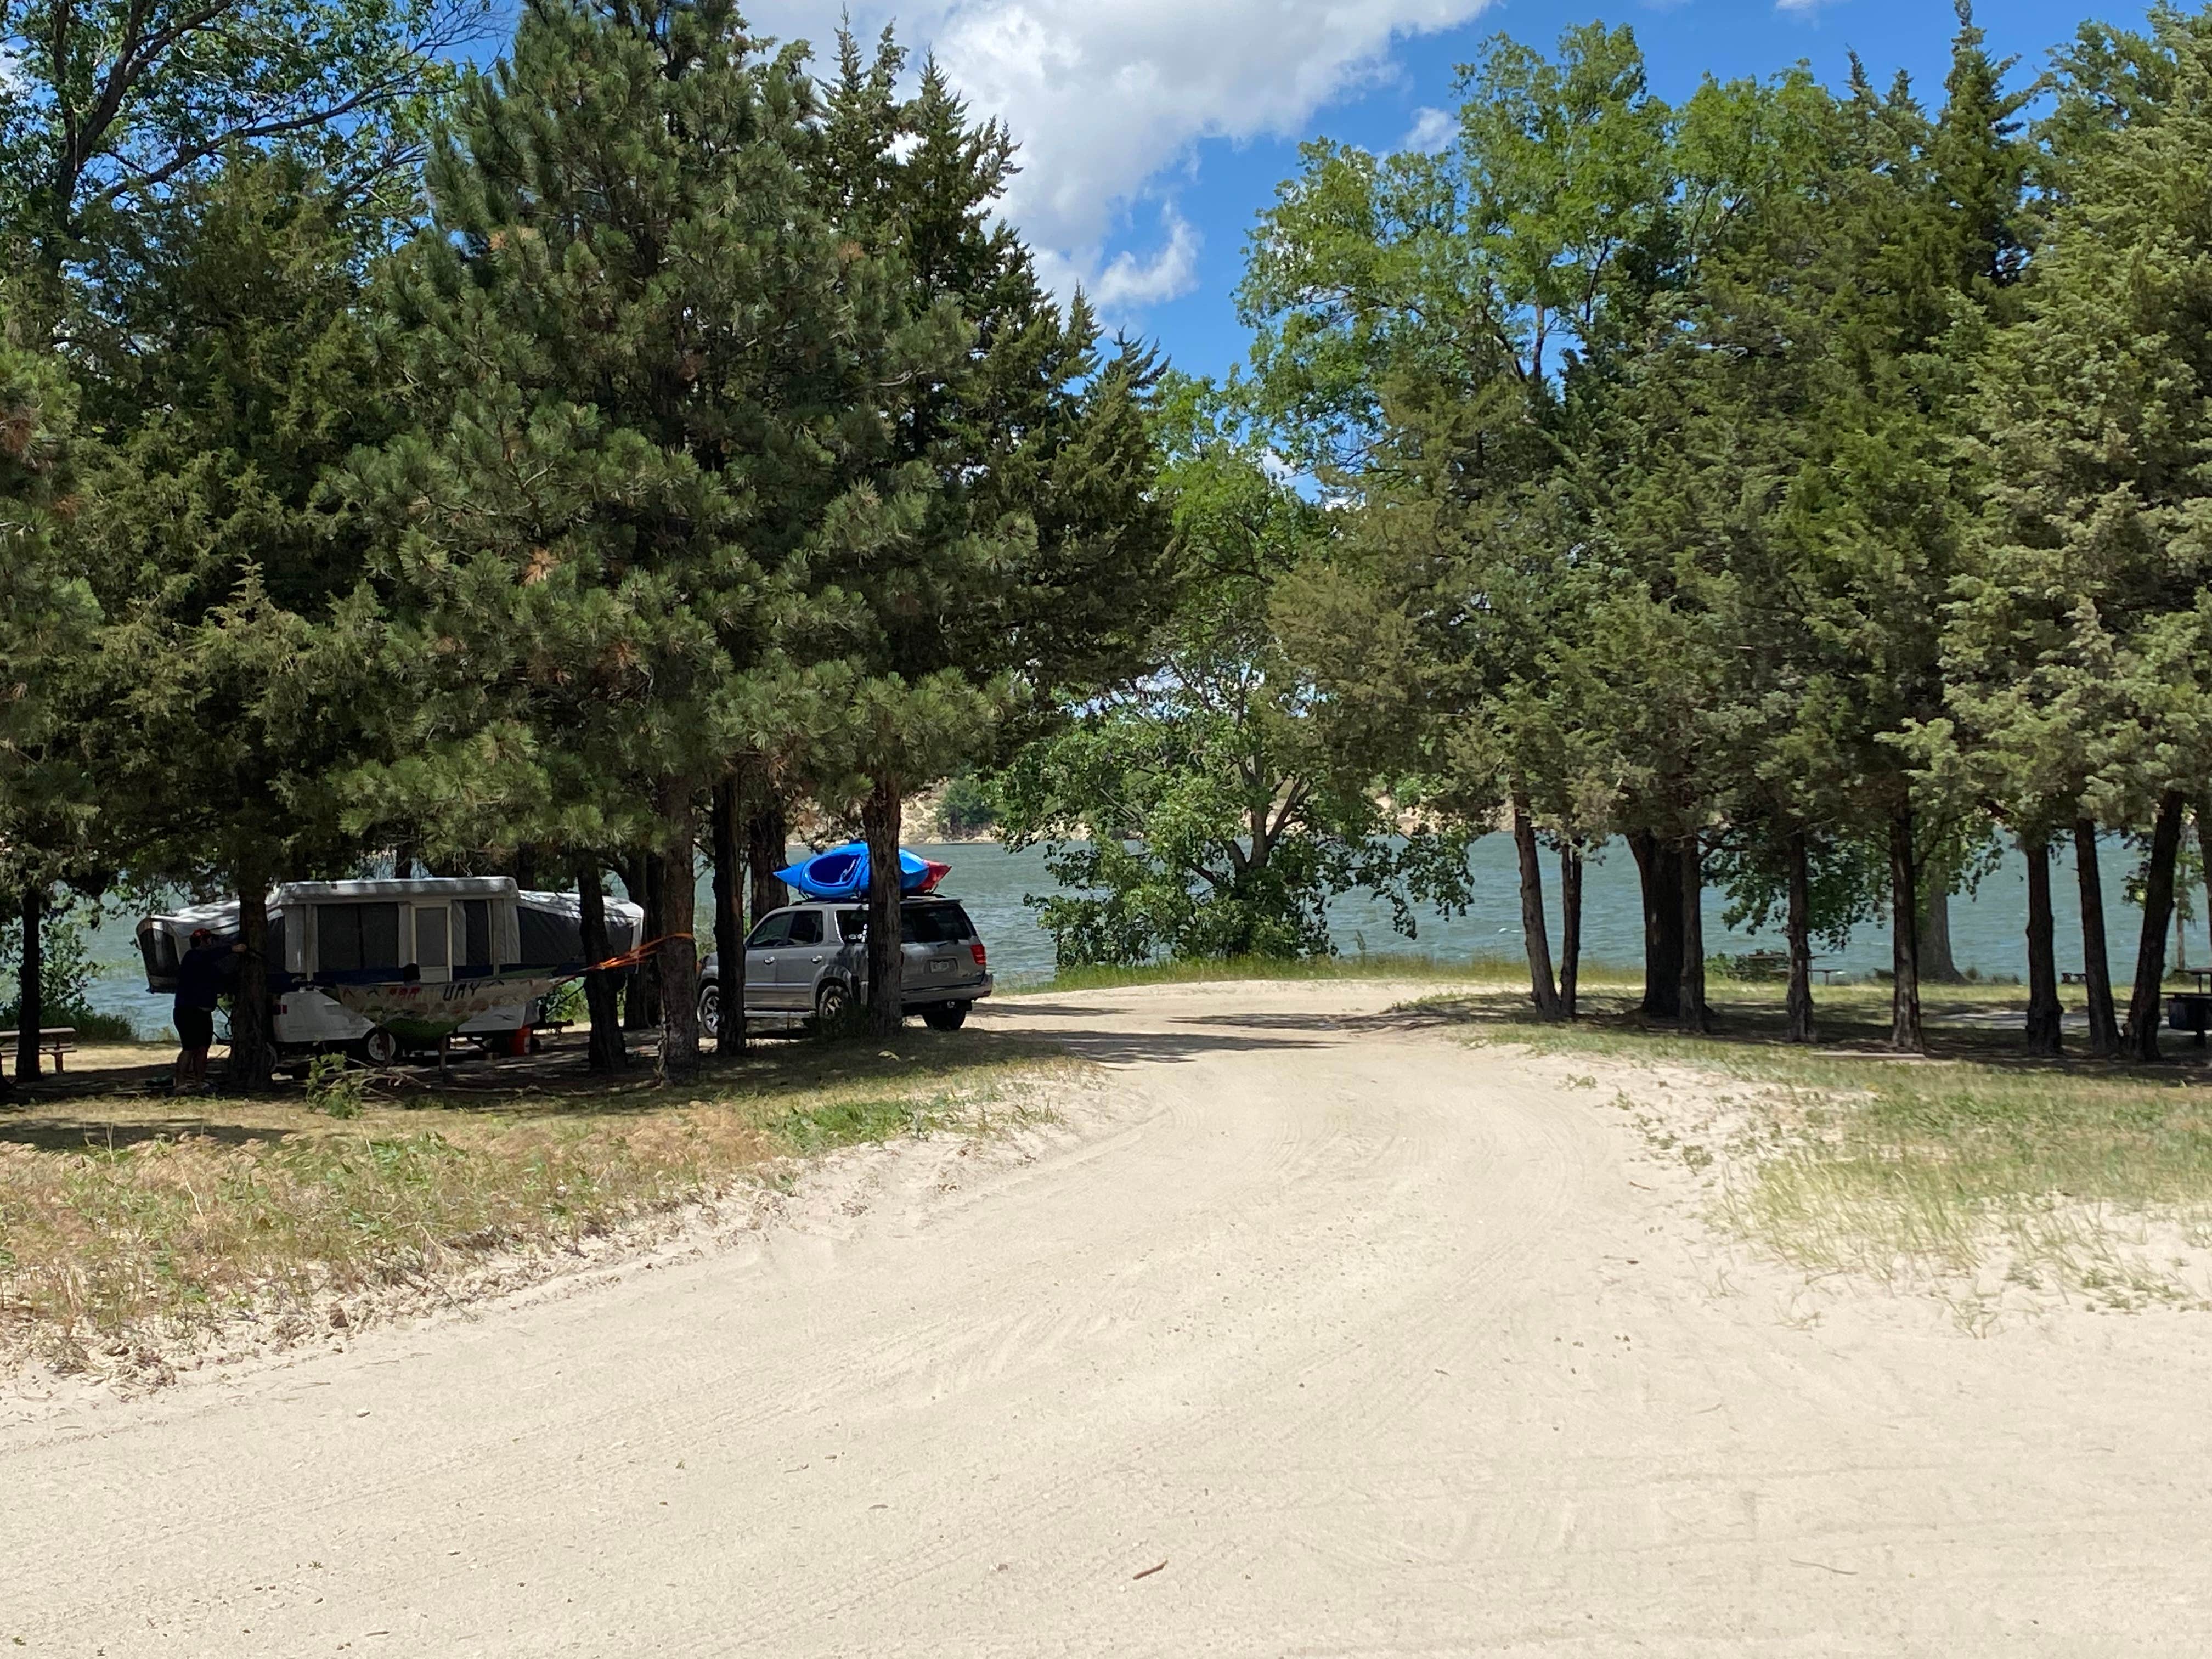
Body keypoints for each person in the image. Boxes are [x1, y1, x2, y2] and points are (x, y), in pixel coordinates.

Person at [172, 927, 240, 1091]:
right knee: (189, 1048)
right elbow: (210, 955)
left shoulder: (208, 964)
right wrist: (232, 949)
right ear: (201, 941)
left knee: (203, 1048)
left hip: (203, 1012)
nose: (212, 942)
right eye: (209, 939)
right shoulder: (193, 957)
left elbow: (221, 978)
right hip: (188, 1011)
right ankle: (180, 1083)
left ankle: (199, 1082)